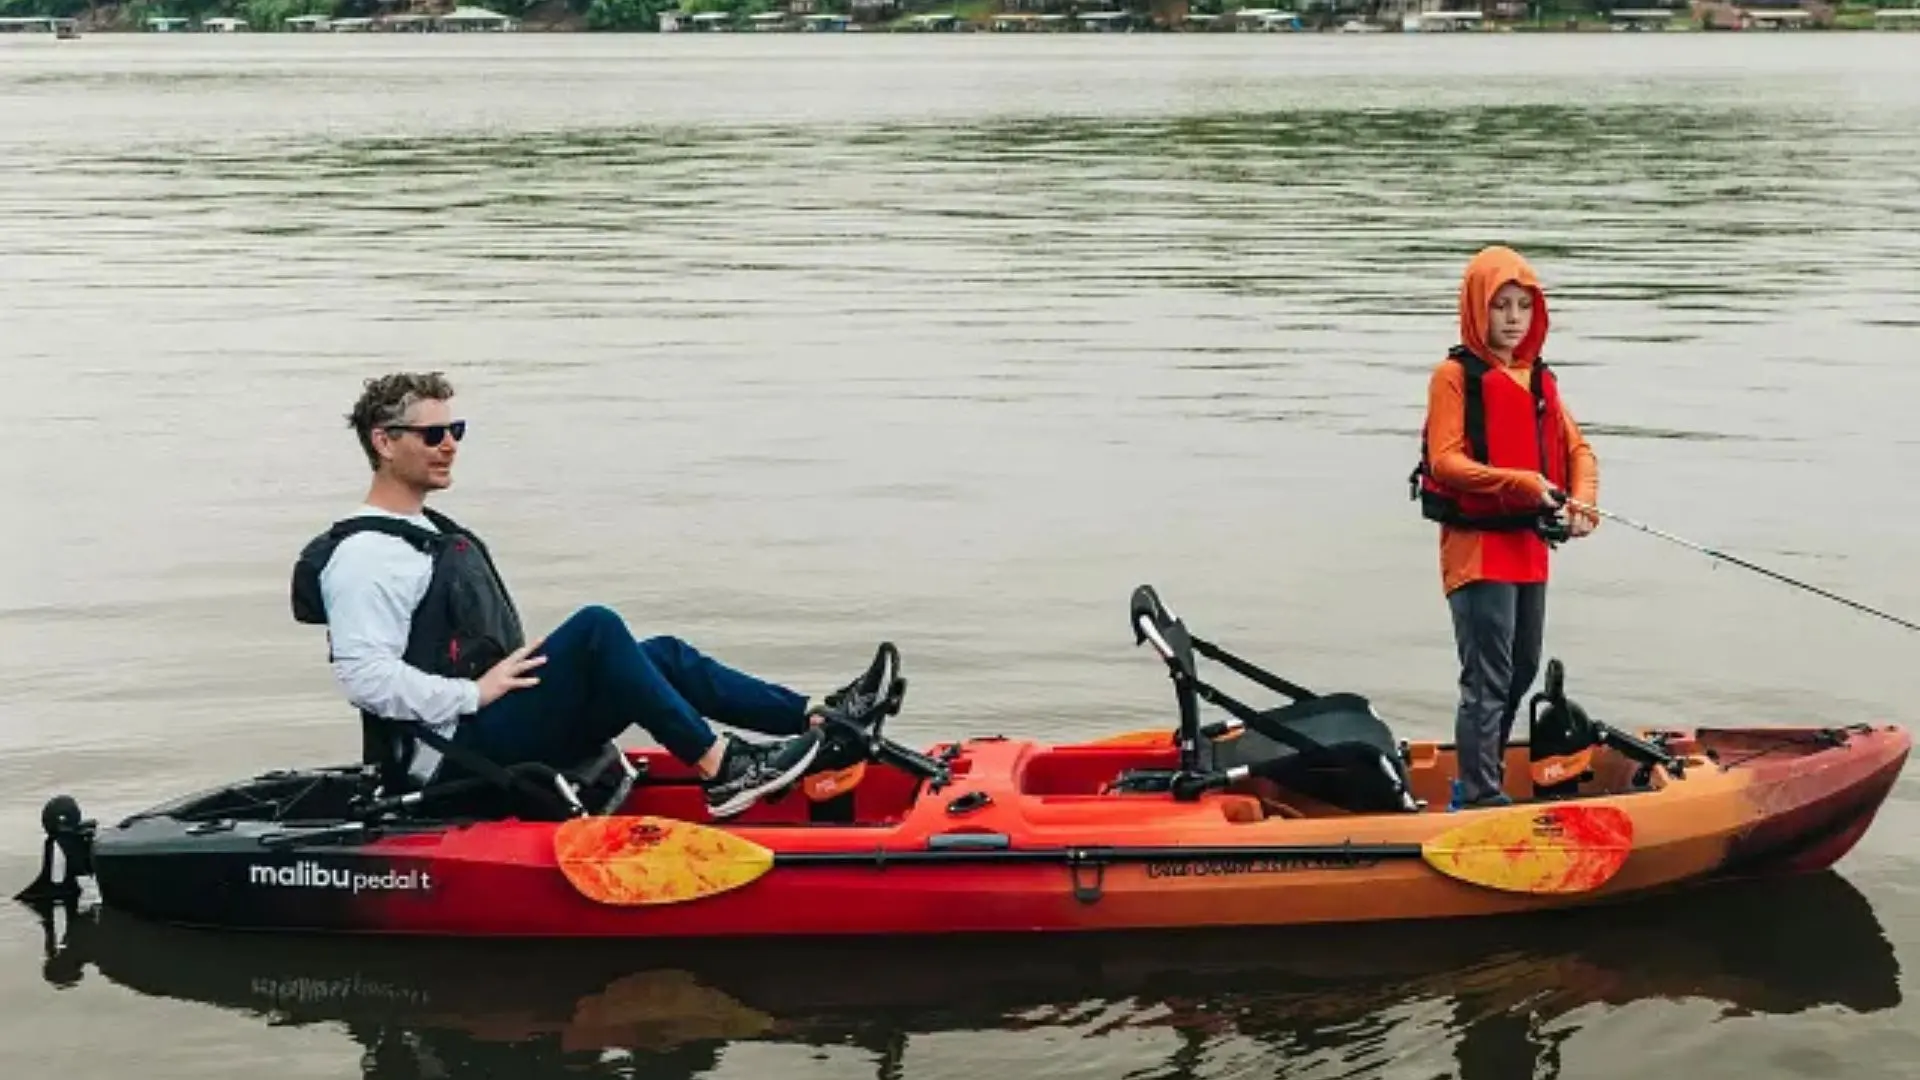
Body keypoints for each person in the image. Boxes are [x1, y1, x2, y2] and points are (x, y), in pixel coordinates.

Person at [290, 372, 890, 819]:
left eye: (456, 430)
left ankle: (816, 717)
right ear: (385, 442)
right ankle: (721, 769)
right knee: (598, 627)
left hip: (484, 723)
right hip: (450, 753)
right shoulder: (365, 557)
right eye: (433, 433)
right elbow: (363, 677)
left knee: (659, 654)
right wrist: (472, 693)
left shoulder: (426, 533)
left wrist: (488, 689)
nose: (450, 443)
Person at [1410, 245, 1599, 809]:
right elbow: (1446, 462)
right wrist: (1519, 482)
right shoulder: (1453, 377)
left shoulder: (1539, 381)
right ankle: (1479, 792)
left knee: (1521, 671)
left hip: (1528, 549)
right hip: (1477, 552)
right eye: (1501, 307)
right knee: (1487, 679)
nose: (1513, 318)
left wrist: (1583, 502)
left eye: (1523, 306)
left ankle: (1482, 768)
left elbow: (1579, 451)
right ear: (1476, 310)